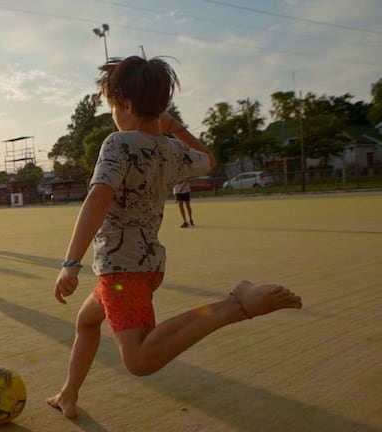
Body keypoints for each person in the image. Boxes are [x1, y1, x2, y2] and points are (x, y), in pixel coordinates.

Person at [46, 56, 302, 419]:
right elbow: (208, 159)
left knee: (139, 359)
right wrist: (174, 127)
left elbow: (98, 197)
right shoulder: (171, 149)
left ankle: (236, 304)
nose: (113, 116)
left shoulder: (117, 144)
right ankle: (68, 394)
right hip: (145, 267)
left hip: (122, 272)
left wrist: (70, 263)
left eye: (114, 107)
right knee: (87, 321)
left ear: (127, 105)